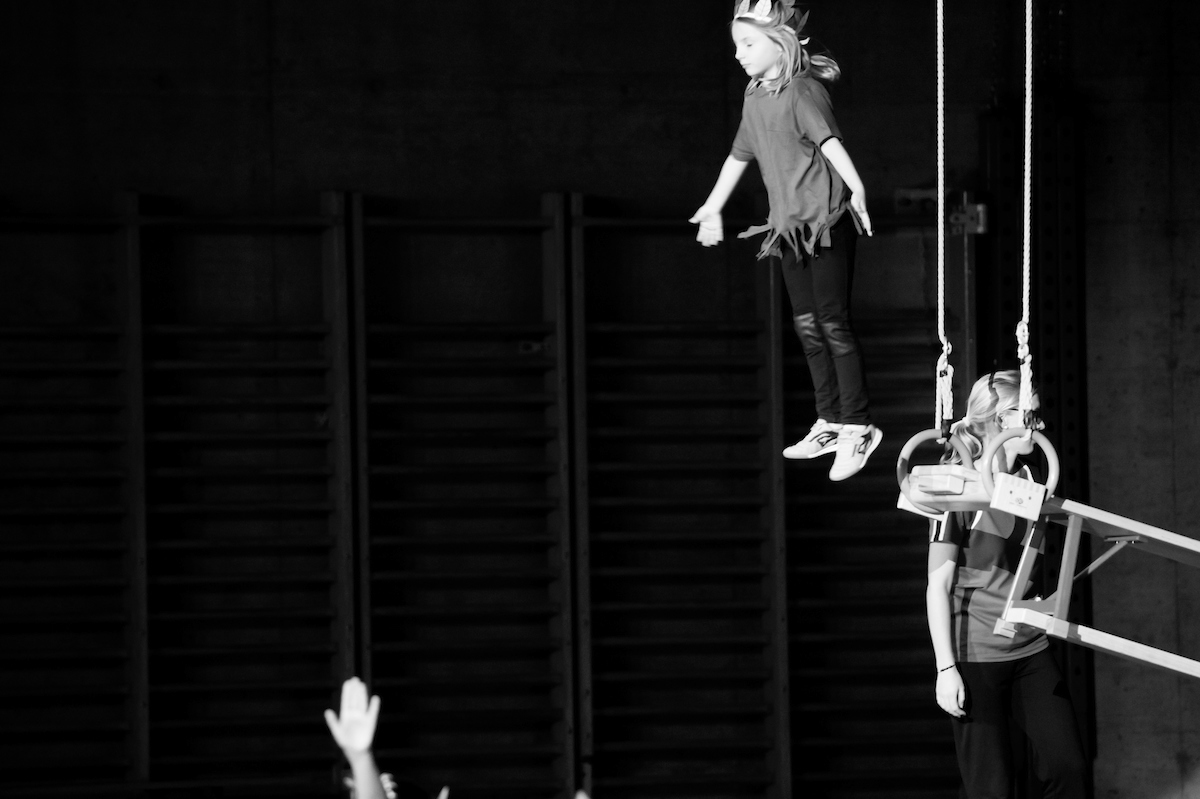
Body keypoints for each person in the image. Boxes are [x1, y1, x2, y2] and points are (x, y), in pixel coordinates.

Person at [690, 0, 881, 481]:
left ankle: (858, 425)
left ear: (781, 44)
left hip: (827, 222)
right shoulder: (755, 97)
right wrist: (713, 205)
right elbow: (739, 154)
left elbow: (829, 142)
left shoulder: (803, 91)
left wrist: (857, 187)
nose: (739, 54)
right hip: (789, 230)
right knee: (807, 325)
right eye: (737, 45)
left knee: (832, 322)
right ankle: (830, 420)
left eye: (748, 44)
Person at [926, 370, 1087, 798]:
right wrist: (945, 669)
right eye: (1031, 415)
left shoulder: (1032, 481)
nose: (1041, 424)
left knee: (1067, 767)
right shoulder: (960, 485)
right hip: (975, 654)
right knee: (992, 788)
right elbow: (937, 586)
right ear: (1001, 419)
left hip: (1028, 647)